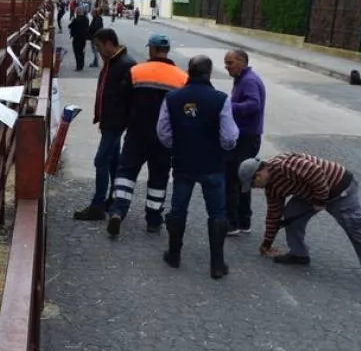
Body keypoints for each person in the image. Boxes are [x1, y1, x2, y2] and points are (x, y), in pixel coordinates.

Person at [239, 153, 361, 291]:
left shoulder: (284, 165)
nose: (255, 188)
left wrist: (320, 200)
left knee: (355, 227)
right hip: (312, 193)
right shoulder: (272, 187)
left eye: (253, 183)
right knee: (291, 215)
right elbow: (274, 215)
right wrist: (266, 244)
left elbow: (316, 173)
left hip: (339, 188)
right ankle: (299, 254)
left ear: (260, 172)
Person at [157, 55, 240, 278]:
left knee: (178, 209)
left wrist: (179, 145)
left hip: (184, 162)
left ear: (189, 71)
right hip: (212, 163)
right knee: (217, 213)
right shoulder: (220, 99)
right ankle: (217, 263)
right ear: (209, 73)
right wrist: (221, 148)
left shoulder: (172, 98)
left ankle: (174, 255)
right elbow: (230, 136)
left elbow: (163, 132)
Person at [105, 34, 187, 236]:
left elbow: (122, 100)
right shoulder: (182, 77)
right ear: (167, 50)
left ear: (151, 49)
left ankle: (118, 211)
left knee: (126, 173)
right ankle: (153, 219)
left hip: (137, 133)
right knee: (159, 178)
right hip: (164, 138)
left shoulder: (136, 71)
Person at [73, 28, 136, 221]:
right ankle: (113, 198)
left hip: (115, 122)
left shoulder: (124, 65)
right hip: (110, 120)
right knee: (113, 161)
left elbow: (130, 97)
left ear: (109, 43)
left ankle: (98, 205)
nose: (98, 51)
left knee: (101, 160)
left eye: (99, 47)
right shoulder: (115, 62)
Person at [223, 49, 266, 236]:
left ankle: (232, 224)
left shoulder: (248, 81)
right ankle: (244, 221)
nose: (226, 66)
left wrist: (229, 107)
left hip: (246, 138)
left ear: (241, 62)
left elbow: (254, 104)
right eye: (226, 63)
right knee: (243, 179)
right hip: (248, 136)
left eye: (230, 63)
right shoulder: (244, 79)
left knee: (233, 178)